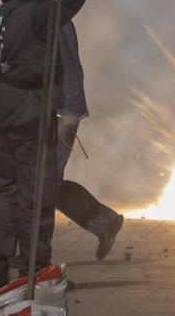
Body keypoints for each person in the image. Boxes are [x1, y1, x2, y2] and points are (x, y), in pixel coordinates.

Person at [0, 0, 98, 289]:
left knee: (8, 188)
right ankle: (33, 267)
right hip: (33, 114)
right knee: (38, 190)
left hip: (1, 115)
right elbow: (74, 0)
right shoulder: (41, 15)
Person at [55, 20, 125, 260]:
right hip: (40, 114)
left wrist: (71, 112)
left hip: (59, 114)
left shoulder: (55, 19)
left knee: (46, 182)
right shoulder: (30, 16)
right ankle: (105, 222)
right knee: (45, 183)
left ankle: (103, 222)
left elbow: (71, 69)